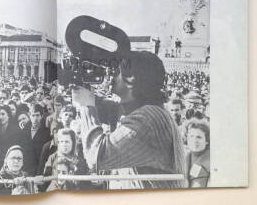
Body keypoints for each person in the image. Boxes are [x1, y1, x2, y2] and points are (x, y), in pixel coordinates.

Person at [72, 51, 187, 188]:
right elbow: (114, 110)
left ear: (131, 79)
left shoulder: (148, 119)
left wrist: (87, 105)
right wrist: (87, 92)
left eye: (116, 72)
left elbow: (96, 156)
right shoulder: (152, 111)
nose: (111, 76)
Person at [184, 120, 210, 187]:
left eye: (199, 137)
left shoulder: (212, 160)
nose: (195, 141)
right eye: (191, 136)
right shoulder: (186, 157)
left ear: (206, 141)